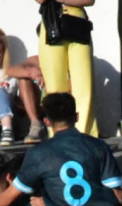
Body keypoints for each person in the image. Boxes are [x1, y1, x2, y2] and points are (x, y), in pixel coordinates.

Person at [36, 0, 98, 137]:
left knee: (84, 87)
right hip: (52, 22)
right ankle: (57, 136)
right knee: (54, 88)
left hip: (78, 24)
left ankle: (85, 136)